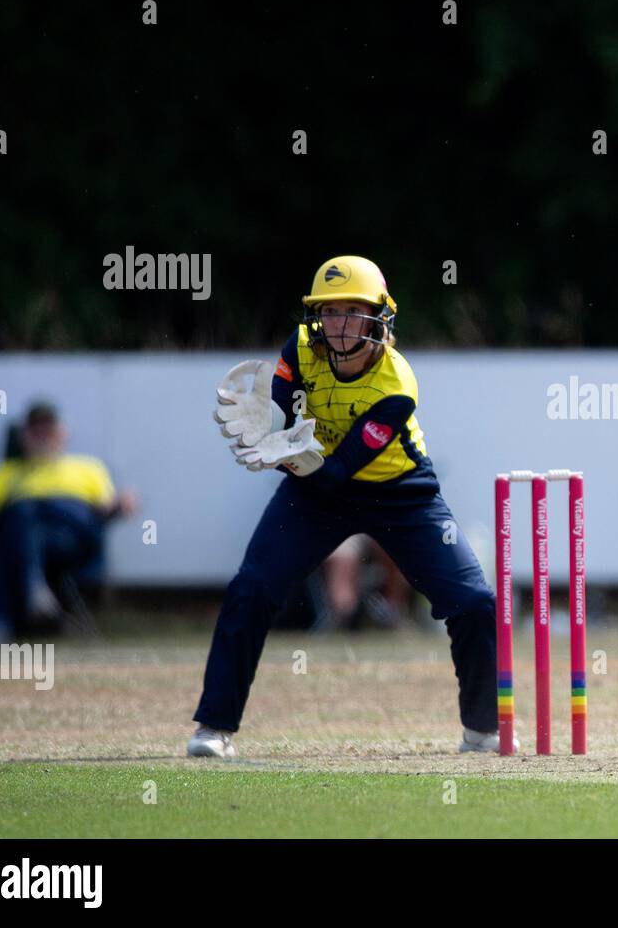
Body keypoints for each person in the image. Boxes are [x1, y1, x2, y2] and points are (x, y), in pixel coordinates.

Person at [188, 255, 504, 758]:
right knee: (251, 589)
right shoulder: (299, 347)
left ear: (380, 318)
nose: (339, 325)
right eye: (330, 312)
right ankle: (213, 727)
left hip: (399, 491)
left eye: (353, 311)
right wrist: (266, 438)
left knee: (474, 602)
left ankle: (482, 729)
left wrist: (281, 455)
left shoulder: (395, 385)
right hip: (314, 493)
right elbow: (285, 424)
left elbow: (339, 472)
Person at [0, 402, 137, 642]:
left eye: (48, 430)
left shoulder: (87, 468)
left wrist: (122, 502)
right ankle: (32, 594)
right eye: (36, 430)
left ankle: (1, 619)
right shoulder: (8, 472)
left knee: (14, 523)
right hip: (17, 536)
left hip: (68, 537)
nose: (42, 437)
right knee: (10, 528)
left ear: (62, 434)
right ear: (24, 436)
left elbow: (106, 506)